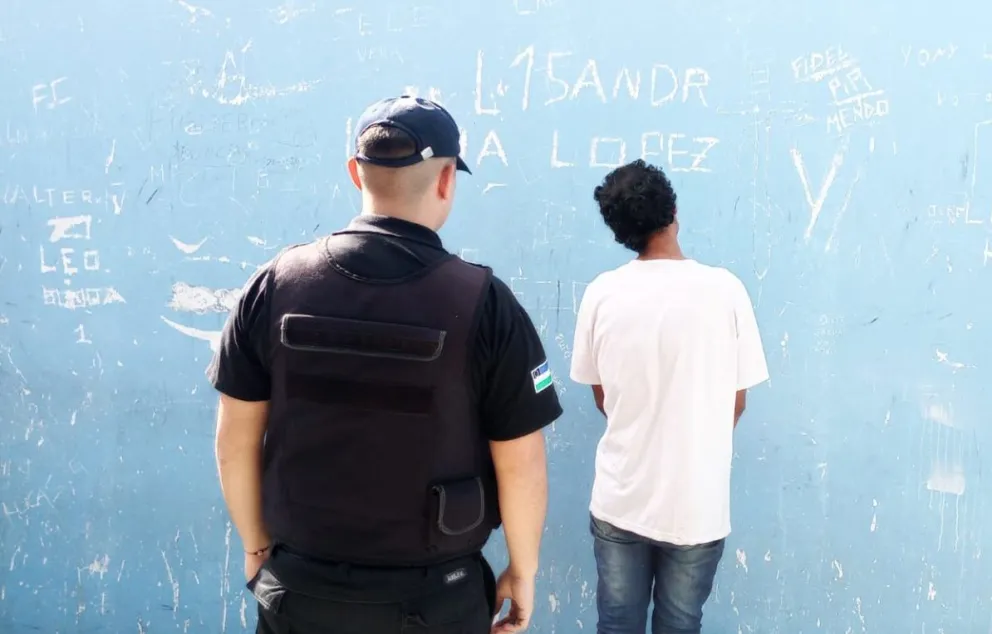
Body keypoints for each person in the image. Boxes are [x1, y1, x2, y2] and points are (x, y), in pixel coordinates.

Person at [207, 95, 563, 634]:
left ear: (356, 174)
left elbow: (234, 442)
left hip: (298, 591)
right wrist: (524, 570)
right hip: (436, 600)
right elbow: (522, 463)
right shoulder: (485, 304)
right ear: (447, 180)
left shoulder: (274, 285)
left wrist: (256, 547)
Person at [569, 159, 769, 634]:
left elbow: (603, 396)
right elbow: (735, 403)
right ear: (673, 210)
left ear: (620, 231)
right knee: (681, 624)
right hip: (696, 504)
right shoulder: (725, 290)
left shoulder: (602, 293)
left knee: (617, 623)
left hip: (621, 497)